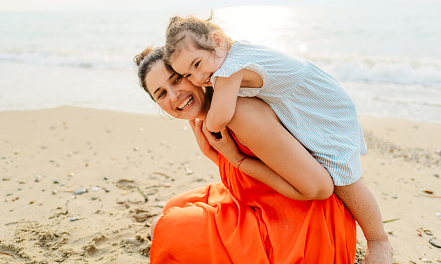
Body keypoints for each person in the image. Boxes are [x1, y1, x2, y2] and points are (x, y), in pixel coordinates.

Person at [163, 14, 392, 263]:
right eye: (188, 74)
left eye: (196, 65)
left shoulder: (230, 69)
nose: (197, 79)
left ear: (216, 40)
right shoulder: (232, 57)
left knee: (344, 178)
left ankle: (378, 240)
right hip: (307, 106)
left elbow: (219, 117)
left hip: (322, 108)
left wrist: (207, 127)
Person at [134, 46, 357, 263]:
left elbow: (319, 187)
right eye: (161, 94)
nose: (174, 96)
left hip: (307, 227)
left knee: (163, 227)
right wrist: (214, 155)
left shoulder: (239, 112)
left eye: (176, 80)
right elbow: (248, 179)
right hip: (268, 200)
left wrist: (236, 160)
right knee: (174, 205)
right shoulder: (209, 120)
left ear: (192, 73)